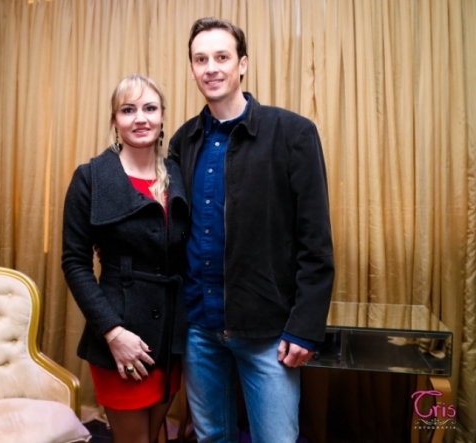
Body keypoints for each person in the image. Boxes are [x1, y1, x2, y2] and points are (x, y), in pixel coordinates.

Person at [168, 17, 335, 443]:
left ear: (242, 64)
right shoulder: (183, 141)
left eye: (222, 57)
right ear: (192, 69)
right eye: (201, 59)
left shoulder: (293, 133)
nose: (211, 68)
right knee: (212, 437)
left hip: (268, 331)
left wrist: (305, 326)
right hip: (199, 328)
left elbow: (315, 241)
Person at [62, 74, 189, 443]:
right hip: (121, 335)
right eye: (128, 110)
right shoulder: (90, 178)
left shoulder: (177, 174)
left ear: (162, 117)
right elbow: (74, 263)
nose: (140, 118)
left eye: (150, 108)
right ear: (115, 120)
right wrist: (113, 333)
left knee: (156, 434)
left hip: (170, 336)